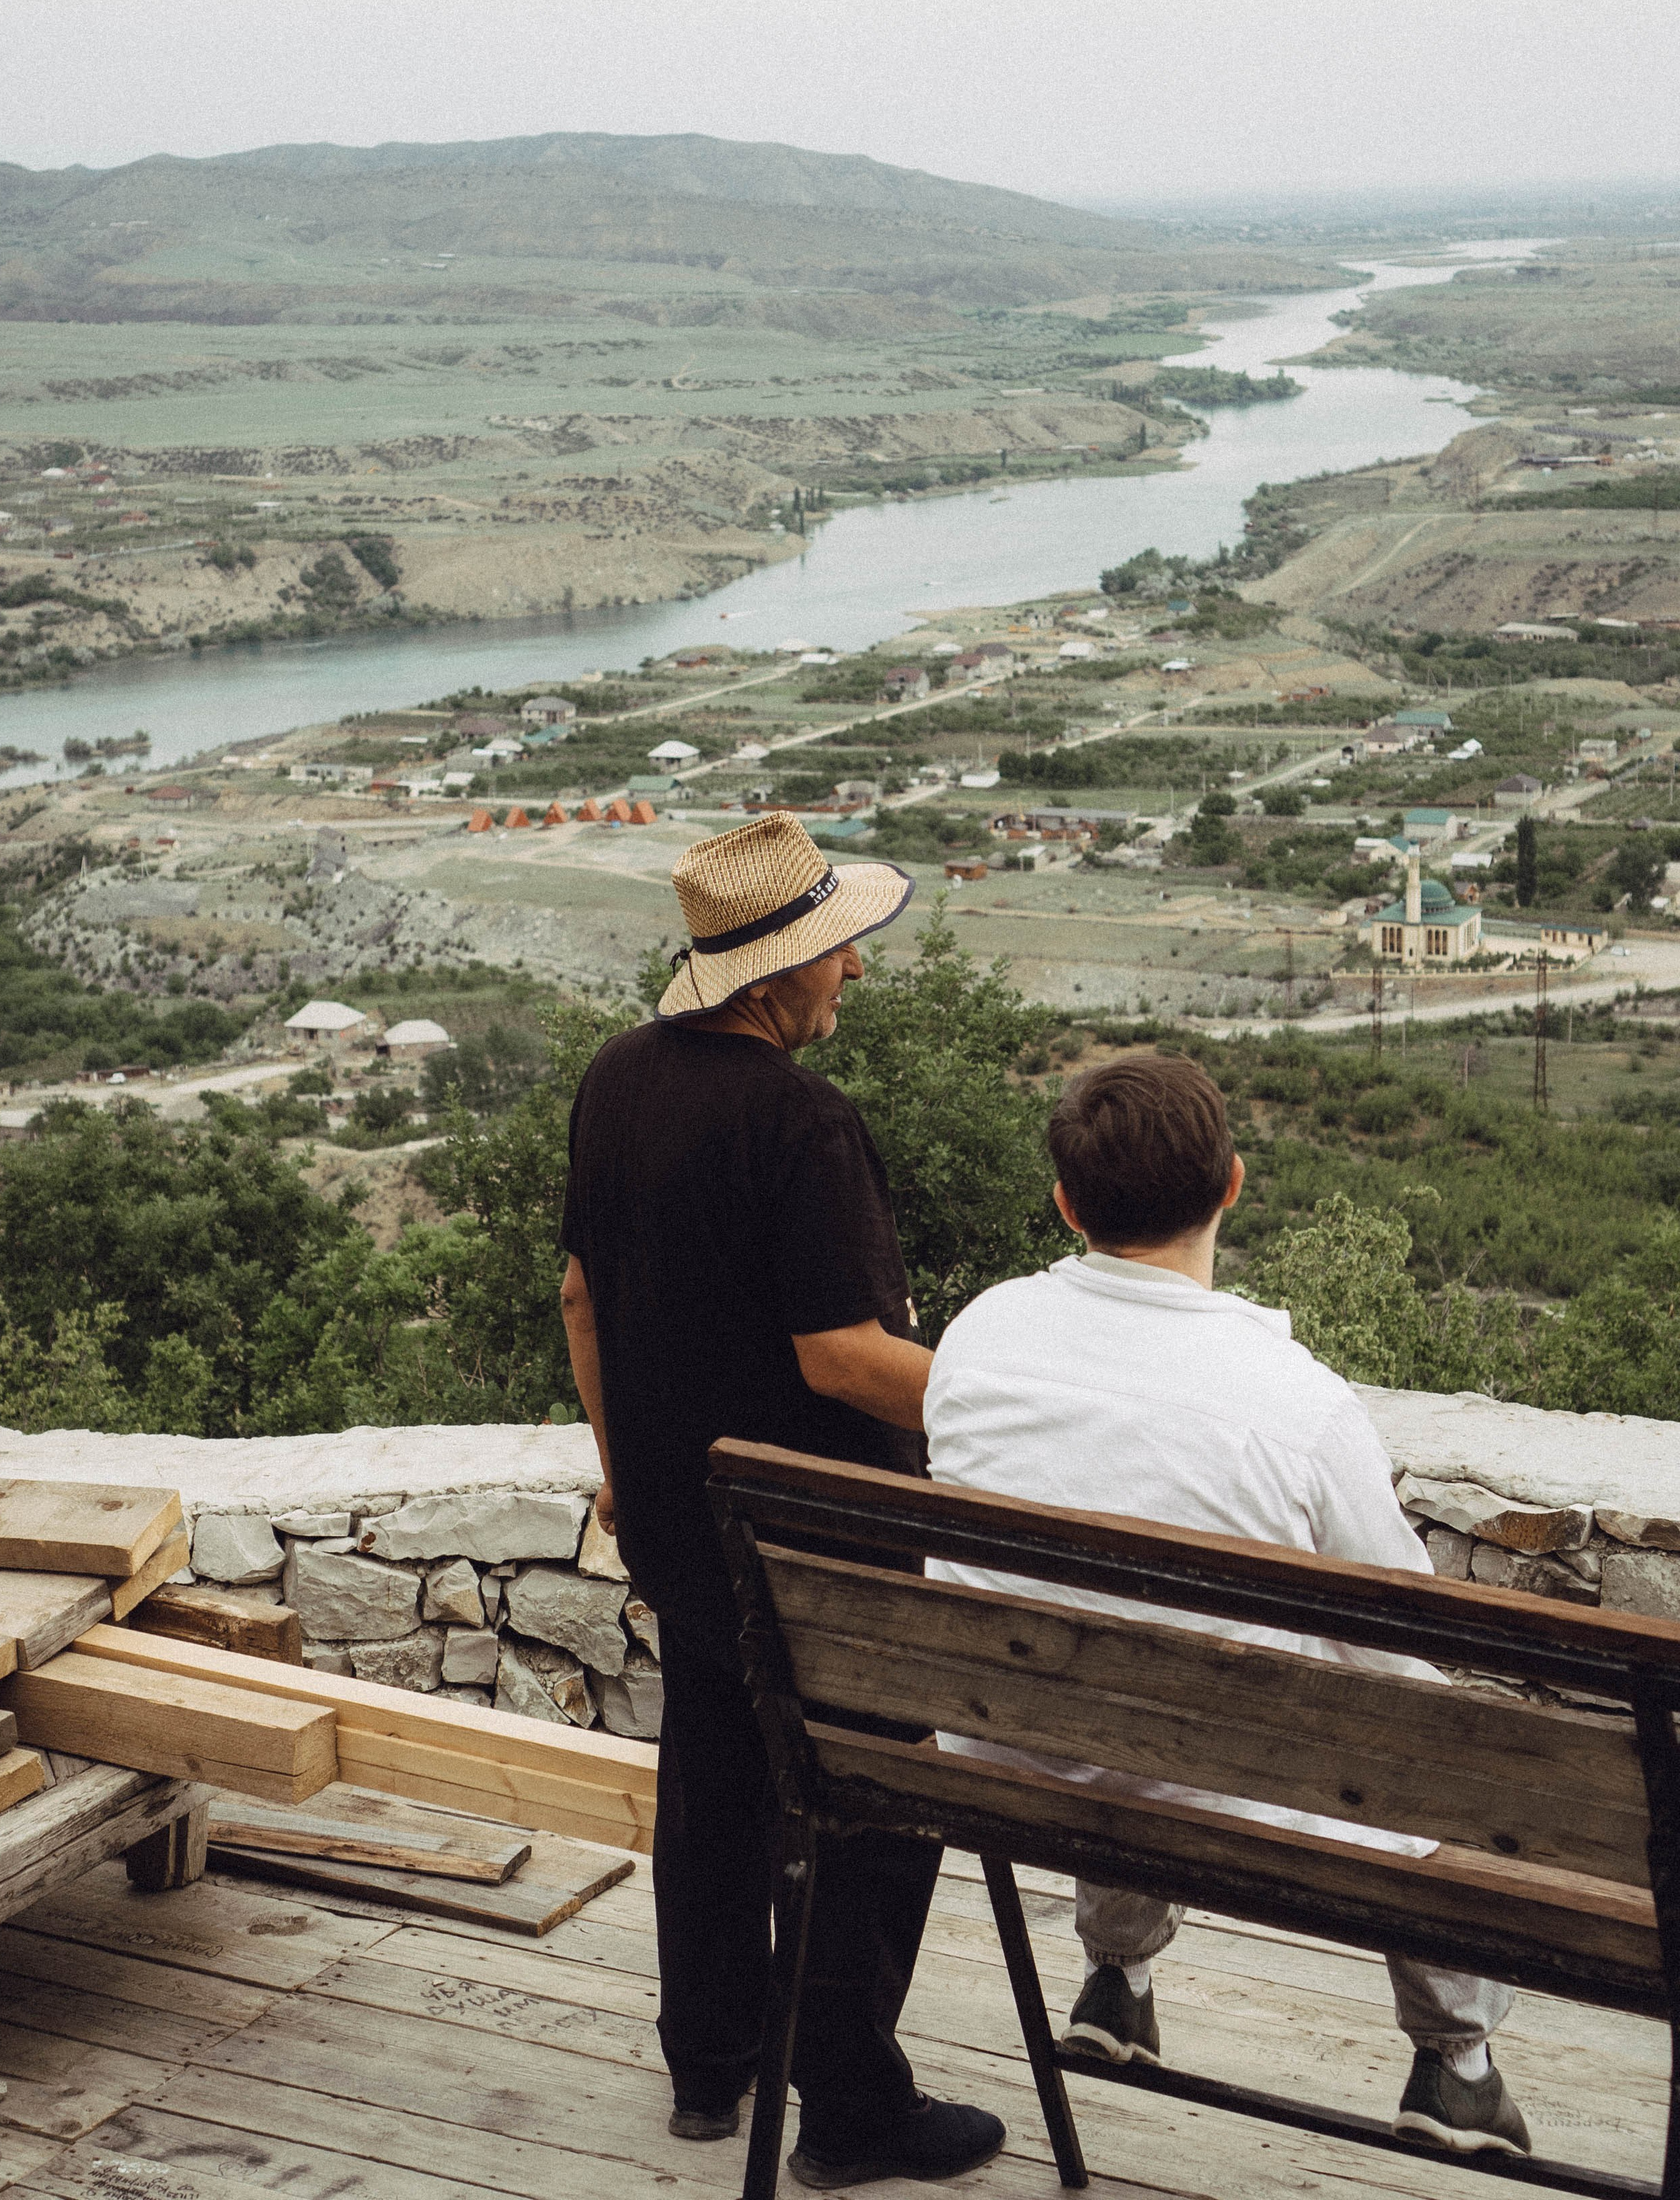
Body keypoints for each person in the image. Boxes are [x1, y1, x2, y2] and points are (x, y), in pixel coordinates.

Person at [922, 1051, 1530, 2162]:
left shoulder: (980, 1337)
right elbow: (1402, 1628)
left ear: (1065, 1202)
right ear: (1234, 1185)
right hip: (1211, 1778)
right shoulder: (1295, 1402)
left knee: (1119, 1679)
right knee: (1414, 1737)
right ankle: (1458, 2063)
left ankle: (1116, 1977)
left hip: (997, 1752)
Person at [558, 811, 1004, 2192]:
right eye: (834, 954)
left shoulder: (615, 1078)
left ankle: (708, 2063)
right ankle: (852, 2105)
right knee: (876, 1791)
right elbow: (845, 1360)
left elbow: (581, 1294)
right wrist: (1014, 1406)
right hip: (822, 1544)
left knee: (712, 1774)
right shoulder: (803, 1122)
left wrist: (626, 1471)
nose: (852, 977)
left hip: (685, 1522)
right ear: (770, 979)